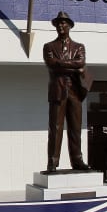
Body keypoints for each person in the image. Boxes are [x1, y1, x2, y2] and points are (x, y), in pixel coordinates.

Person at [43, 11, 90, 172]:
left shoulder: (79, 47)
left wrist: (62, 63)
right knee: (55, 128)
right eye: (58, 23)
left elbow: (81, 62)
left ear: (69, 26)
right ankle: (52, 162)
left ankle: (77, 161)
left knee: (76, 128)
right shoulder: (49, 46)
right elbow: (52, 64)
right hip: (57, 90)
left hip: (75, 91)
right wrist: (73, 65)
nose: (61, 26)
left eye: (64, 23)